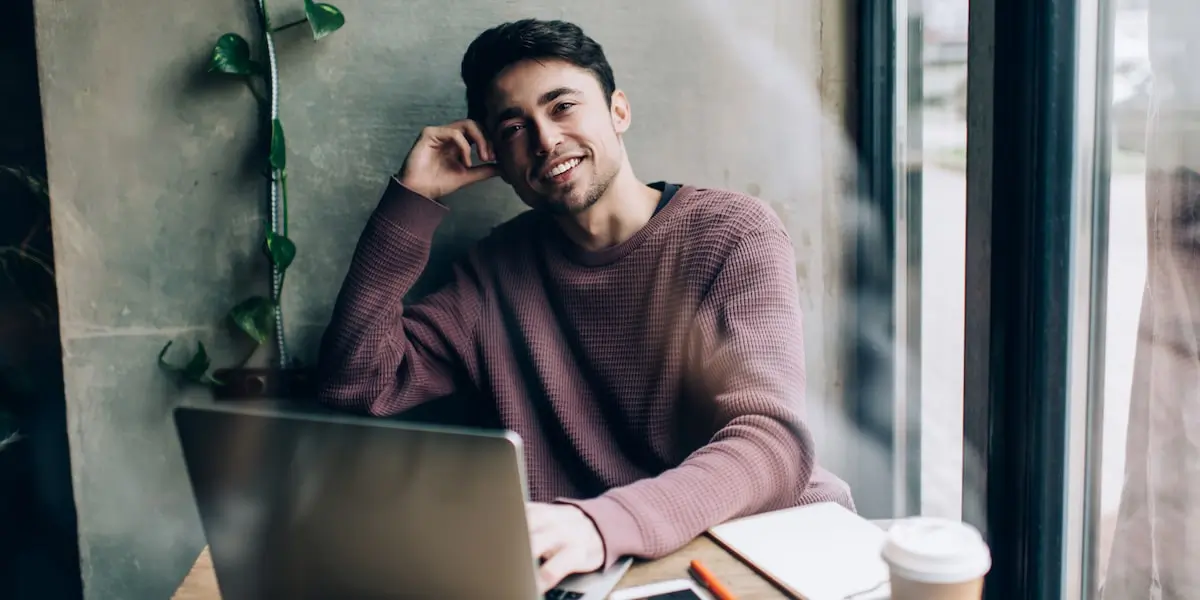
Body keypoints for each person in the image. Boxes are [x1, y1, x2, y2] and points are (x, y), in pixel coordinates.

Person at [316, 17, 854, 593]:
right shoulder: (496, 271)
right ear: (496, 156)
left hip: (758, 549)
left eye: (563, 106)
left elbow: (771, 441)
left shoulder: (731, 233)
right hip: (597, 575)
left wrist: (599, 523)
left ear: (618, 111)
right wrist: (410, 201)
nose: (546, 139)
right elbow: (359, 382)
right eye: (516, 126)